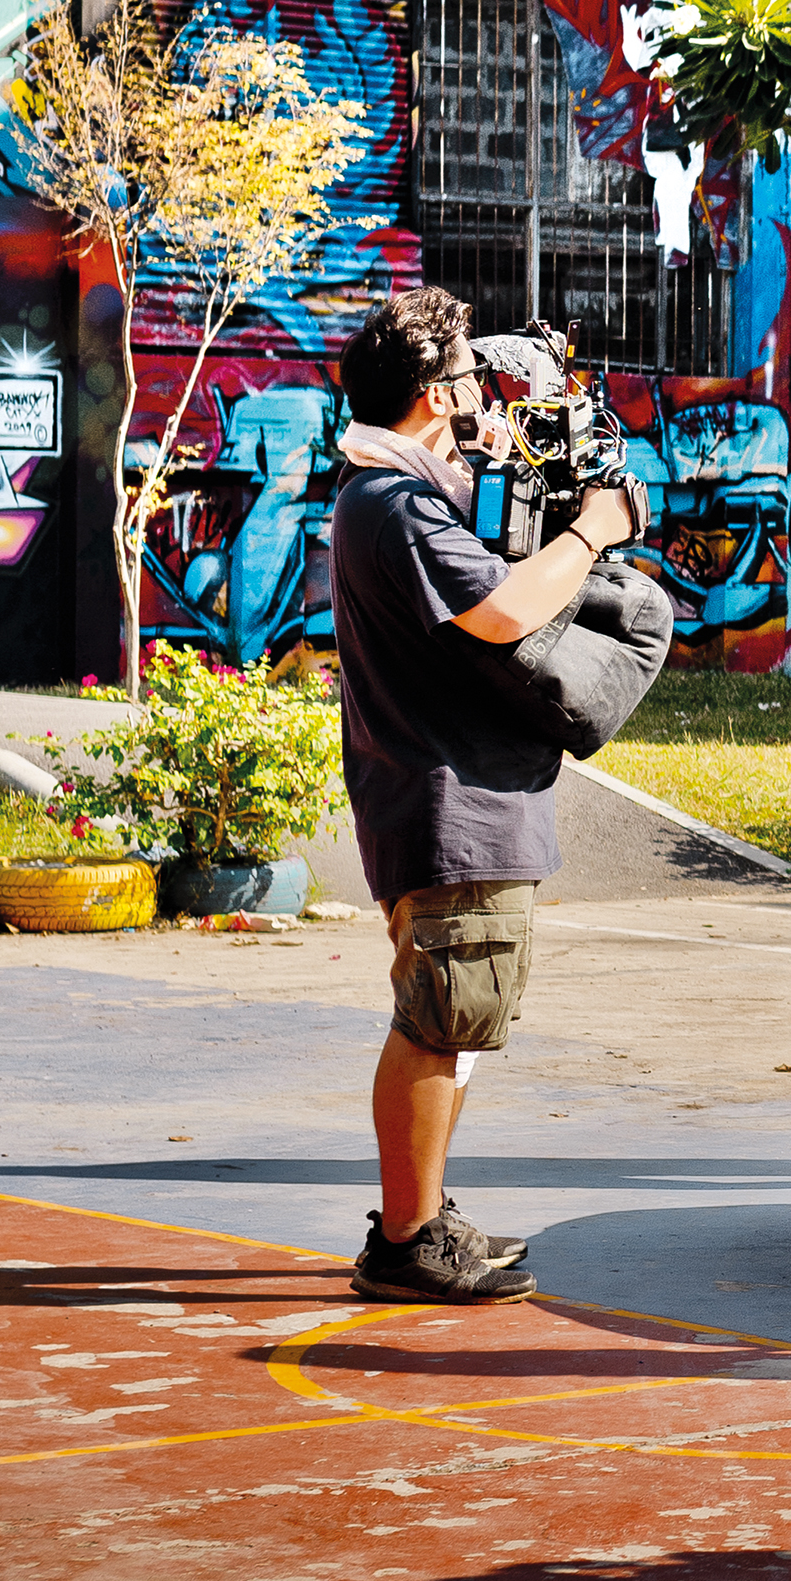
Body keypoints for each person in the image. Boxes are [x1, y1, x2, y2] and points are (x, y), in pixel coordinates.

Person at [331, 285, 644, 1306]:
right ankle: (406, 1236)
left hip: (449, 791)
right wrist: (594, 531)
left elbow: (493, 566)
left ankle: (421, 1212)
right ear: (432, 392)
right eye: (468, 378)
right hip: (446, 799)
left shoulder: (401, 493)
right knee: (438, 1020)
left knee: (453, 1023)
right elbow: (507, 610)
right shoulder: (396, 505)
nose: (483, 394)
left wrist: (522, 469)